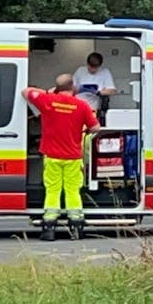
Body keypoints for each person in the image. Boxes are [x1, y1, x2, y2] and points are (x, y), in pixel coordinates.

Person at [24, 75, 100, 241]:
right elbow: (95, 127)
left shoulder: (48, 100)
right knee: (73, 191)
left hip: (52, 156)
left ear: (57, 87)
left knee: (52, 191)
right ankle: (76, 228)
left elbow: (26, 91)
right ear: (73, 87)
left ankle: (49, 229)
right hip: (73, 156)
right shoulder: (81, 105)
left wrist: (49, 91)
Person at [73, 53, 117, 117]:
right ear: (87, 64)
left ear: (100, 66)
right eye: (91, 67)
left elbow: (112, 91)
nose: (93, 70)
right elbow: (71, 88)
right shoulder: (80, 70)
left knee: (90, 125)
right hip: (77, 106)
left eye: (96, 67)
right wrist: (81, 89)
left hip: (92, 108)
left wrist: (98, 92)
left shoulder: (105, 72)